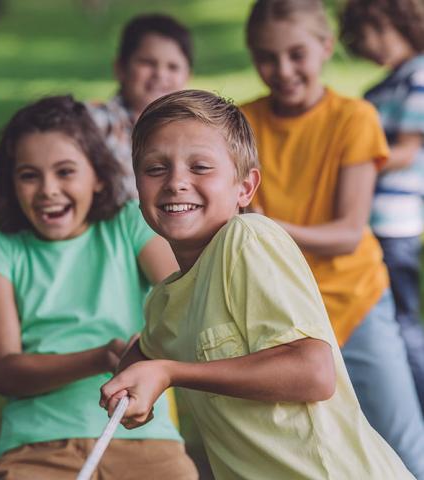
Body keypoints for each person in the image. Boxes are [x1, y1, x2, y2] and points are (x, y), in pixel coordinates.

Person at [100, 89, 413, 480]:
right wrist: (130, 385)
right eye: (155, 169)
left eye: (200, 167)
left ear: (245, 188)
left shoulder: (247, 238)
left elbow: (313, 372)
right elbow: (144, 357)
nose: (176, 182)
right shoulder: (165, 301)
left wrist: (170, 372)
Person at [0, 95, 198, 480]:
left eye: (65, 171)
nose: (48, 190)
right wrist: (99, 357)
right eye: (29, 175)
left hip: (143, 436)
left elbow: (185, 296)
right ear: (10, 184)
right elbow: (6, 372)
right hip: (36, 446)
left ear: (99, 176)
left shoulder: (128, 225)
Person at [239, 0, 424, 477]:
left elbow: (345, 234)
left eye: (296, 54)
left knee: (401, 441)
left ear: (325, 48)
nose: (282, 70)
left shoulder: (353, 118)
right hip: (277, 311)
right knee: (301, 454)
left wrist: (264, 227)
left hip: (352, 298)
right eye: (266, 57)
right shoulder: (240, 124)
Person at [339, 0, 424, 414]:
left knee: (401, 323)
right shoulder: (383, 86)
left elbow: (407, 150)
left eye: (376, 32)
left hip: (396, 221)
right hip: (367, 220)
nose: (369, 45)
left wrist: (350, 161)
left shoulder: (419, 75)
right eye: (360, 37)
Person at [87, 13, 192, 200]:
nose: (160, 74)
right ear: (120, 68)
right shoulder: (95, 124)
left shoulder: (194, 130)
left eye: (173, 67)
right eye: (147, 63)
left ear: (187, 76)